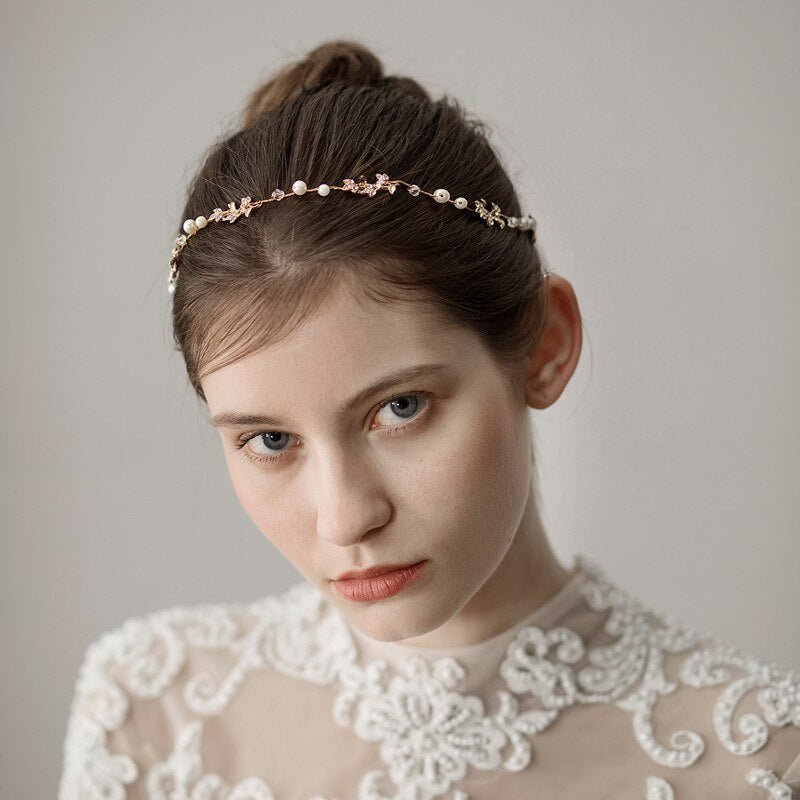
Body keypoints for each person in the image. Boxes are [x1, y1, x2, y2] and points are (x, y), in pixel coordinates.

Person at [57, 39, 799, 800]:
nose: (346, 519)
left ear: (545, 345)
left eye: (399, 408)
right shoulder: (150, 715)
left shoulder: (757, 760)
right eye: (270, 440)